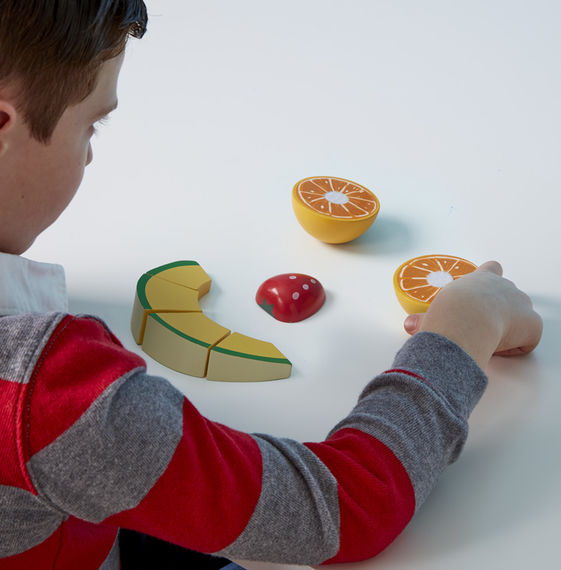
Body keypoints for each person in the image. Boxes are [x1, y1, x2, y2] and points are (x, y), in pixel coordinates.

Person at [0, 1, 543, 569]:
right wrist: (460, 333)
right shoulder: (51, 399)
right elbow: (339, 508)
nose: (89, 155)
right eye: (92, 124)